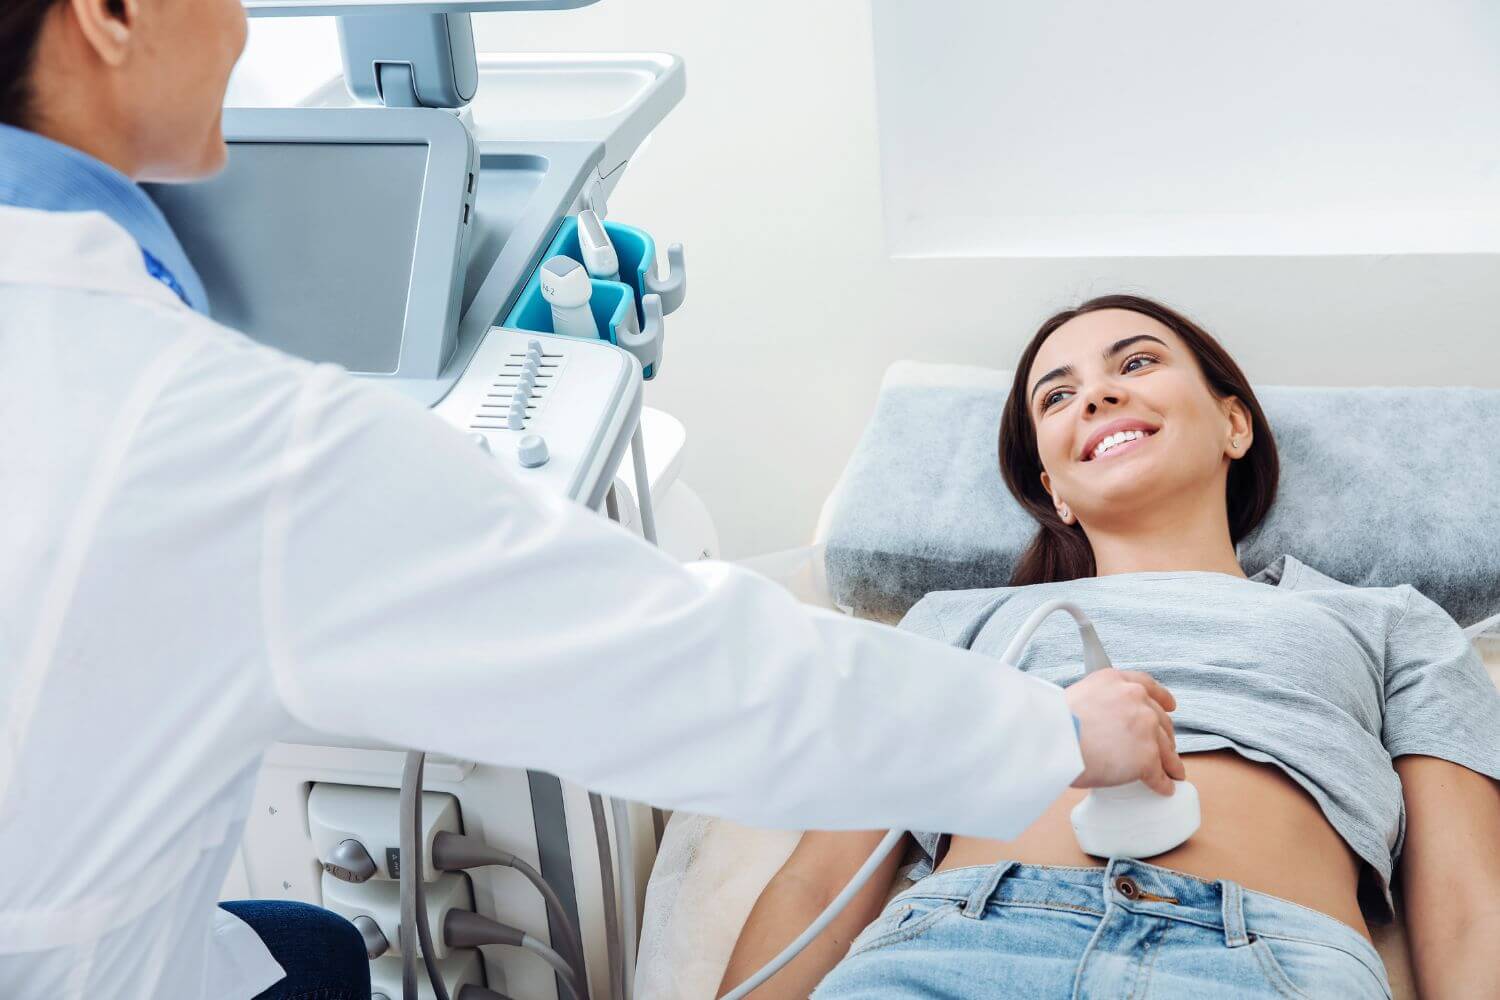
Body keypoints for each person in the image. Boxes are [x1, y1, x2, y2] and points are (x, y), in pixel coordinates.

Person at [0, 3, 1185, 998]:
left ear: (1236, 421)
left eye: (1141, 364)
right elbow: (690, 673)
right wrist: (1054, 730)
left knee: (301, 951)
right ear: (110, 12)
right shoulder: (215, 429)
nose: (247, 22)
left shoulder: (1357, 619)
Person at [722, 295, 1500, 999]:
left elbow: (1469, 905)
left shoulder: (1390, 620)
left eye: (1137, 362)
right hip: (959, 945)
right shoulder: (955, 621)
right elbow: (821, 883)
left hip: (1264, 962)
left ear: (1235, 424)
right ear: (1053, 488)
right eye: (1057, 396)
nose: (1096, 394)